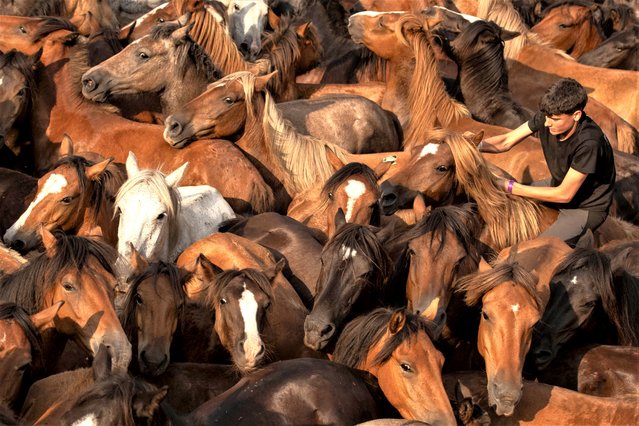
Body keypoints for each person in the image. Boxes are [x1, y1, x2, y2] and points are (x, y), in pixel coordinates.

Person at [478, 78, 615, 246]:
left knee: (535, 248)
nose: (548, 123)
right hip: (557, 183)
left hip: (585, 207)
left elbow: (564, 195)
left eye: (555, 119)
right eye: (547, 117)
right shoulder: (548, 117)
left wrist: (511, 186)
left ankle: (581, 243)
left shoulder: (589, 142)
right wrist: (475, 145)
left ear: (576, 115)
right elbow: (506, 141)